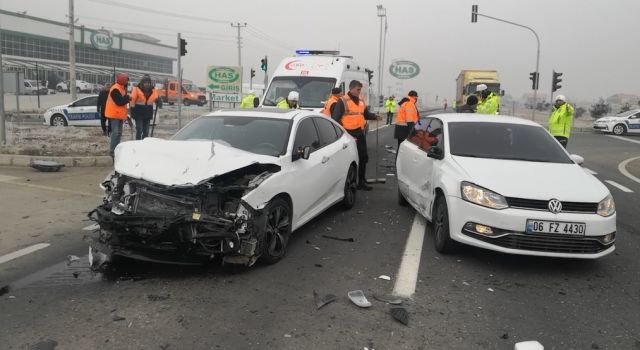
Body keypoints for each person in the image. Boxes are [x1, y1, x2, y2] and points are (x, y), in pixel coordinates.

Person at [332, 80, 380, 191]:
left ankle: (361, 182)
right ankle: (348, 183)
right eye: (358, 89)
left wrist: (374, 116)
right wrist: (345, 133)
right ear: (351, 88)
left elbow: (365, 114)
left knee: (363, 157)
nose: (359, 92)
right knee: (350, 160)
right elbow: (335, 119)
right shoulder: (342, 101)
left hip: (360, 132)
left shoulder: (361, 100)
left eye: (360, 89)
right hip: (348, 134)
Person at [105, 73, 131, 157]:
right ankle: (112, 150)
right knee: (115, 133)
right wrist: (128, 98)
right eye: (126, 80)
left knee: (119, 133)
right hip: (114, 114)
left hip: (118, 114)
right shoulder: (115, 89)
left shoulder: (121, 88)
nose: (127, 82)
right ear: (122, 80)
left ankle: (116, 148)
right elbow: (119, 102)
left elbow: (122, 101)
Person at [129, 75, 162, 140]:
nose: (147, 84)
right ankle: (138, 143)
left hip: (148, 113)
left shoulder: (153, 90)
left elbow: (157, 98)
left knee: (146, 131)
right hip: (138, 113)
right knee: (139, 130)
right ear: (142, 82)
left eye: (148, 83)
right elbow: (132, 101)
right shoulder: (136, 89)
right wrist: (132, 112)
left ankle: (144, 144)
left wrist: (159, 102)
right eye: (145, 82)